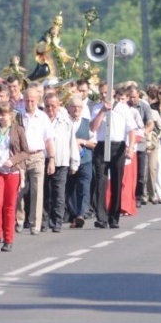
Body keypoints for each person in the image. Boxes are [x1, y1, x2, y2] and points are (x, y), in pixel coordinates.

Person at [90, 85, 136, 229]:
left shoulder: (123, 108)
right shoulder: (97, 108)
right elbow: (93, 127)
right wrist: (102, 111)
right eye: (102, 92)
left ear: (113, 92)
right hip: (102, 146)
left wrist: (130, 147)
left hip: (118, 146)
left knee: (116, 182)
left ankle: (114, 217)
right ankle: (101, 217)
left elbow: (131, 129)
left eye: (106, 92)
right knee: (101, 181)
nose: (104, 95)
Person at [0, 102, 30, 252]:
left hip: (13, 171)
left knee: (9, 206)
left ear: (11, 115)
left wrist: (13, 160)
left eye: (4, 114)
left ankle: (8, 239)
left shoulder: (18, 130)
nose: (1, 117)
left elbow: (25, 152)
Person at [16, 86, 55, 235]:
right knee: (19, 190)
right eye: (27, 100)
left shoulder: (43, 117)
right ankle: (19, 220)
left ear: (37, 100)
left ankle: (35, 223)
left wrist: (51, 159)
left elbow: (49, 140)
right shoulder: (18, 116)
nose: (30, 103)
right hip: (21, 157)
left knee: (37, 191)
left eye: (32, 100)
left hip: (38, 156)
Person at [42, 92, 79, 232]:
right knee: (45, 192)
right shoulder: (41, 119)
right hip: (44, 160)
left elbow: (72, 142)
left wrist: (74, 162)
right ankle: (44, 221)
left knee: (59, 193)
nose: (50, 109)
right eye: (47, 106)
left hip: (61, 161)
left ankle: (56, 221)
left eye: (53, 106)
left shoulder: (65, 121)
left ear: (59, 105)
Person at [66, 94, 94, 228]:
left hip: (85, 160)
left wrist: (81, 141)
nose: (76, 109)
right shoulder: (64, 122)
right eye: (73, 106)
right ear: (68, 108)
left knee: (84, 188)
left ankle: (81, 215)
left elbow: (93, 143)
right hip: (68, 160)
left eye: (79, 107)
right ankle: (74, 215)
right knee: (69, 189)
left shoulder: (87, 123)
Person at [126, 83, 154, 207]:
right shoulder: (124, 106)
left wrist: (144, 132)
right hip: (128, 143)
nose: (132, 99)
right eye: (130, 97)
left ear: (138, 95)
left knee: (141, 173)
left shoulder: (144, 106)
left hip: (140, 143)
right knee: (128, 173)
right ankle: (128, 196)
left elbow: (150, 122)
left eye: (134, 97)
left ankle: (138, 196)